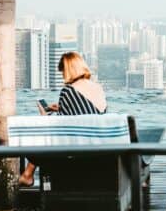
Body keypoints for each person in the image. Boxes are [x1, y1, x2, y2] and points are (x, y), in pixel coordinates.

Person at [19, 52, 107, 186]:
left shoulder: (69, 91)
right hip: (99, 146)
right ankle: (27, 174)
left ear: (68, 70)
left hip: (77, 151)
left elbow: (59, 128)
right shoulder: (98, 88)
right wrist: (60, 108)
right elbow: (89, 113)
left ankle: (28, 174)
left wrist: (44, 115)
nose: (62, 76)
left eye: (63, 72)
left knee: (39, 136)